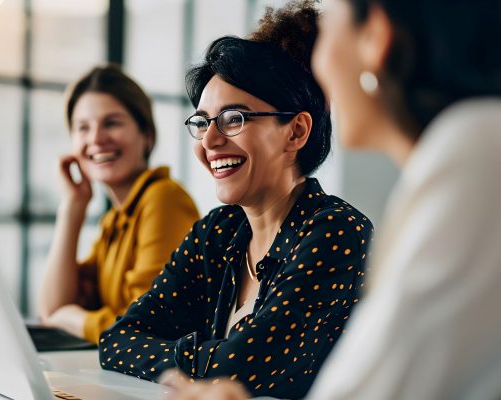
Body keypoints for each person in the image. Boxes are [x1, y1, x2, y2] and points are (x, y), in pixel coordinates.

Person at [164, 0, 501, 399]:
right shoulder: (457, 157)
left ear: (375, 36)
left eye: (324, 38)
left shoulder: (473, 158)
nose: (320, 74)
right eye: (203, 122)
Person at [98, 3, 373, 399]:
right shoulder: (218, 231)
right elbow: (118, 340)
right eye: (202, 122)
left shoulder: (336, 232)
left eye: (233, 119)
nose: (209, 141)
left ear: (295, 132)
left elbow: (239, 372)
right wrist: (209, 360)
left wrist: (185, 357)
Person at [38, 65, 200, 344]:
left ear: (146, 134)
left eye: (111, 123)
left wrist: (74, 318)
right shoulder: (117, 218)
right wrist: (72, 208)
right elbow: (54, 305)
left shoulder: (163, 200)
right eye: (83, 128)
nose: (96, 139)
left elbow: (146, 325)